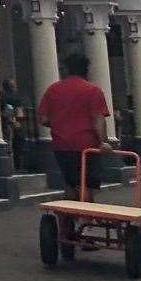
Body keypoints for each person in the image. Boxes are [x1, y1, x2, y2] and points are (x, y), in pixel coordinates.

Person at [36, 53, 112, 198]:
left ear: (67, 69)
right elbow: (98, 119)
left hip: (61, 144)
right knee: (87, 183)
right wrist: (103, 142)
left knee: (70, 182)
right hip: (87, 144)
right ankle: (86, 215)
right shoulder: (93, 90)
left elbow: (43, 118)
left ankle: (68, 216)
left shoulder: (53, 89)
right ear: (85, 70)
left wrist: (59, 124)